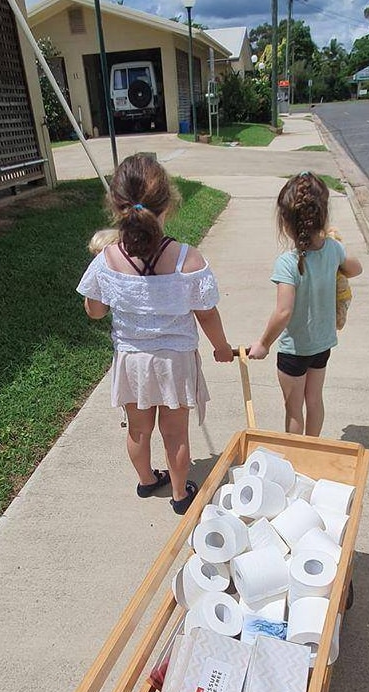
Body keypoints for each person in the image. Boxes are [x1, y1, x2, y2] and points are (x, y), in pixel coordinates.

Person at [76, 154, 234, 515]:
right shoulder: (187, 259)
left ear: (116, 206)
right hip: (175, 362)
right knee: (175, 434)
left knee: (138, 430)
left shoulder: (107, 259)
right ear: (169, 204)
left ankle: (147, 481)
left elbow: (96, 311)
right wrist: (222, 348)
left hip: (133, 362)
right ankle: (181, 495)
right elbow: (206, 313)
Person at [248, 172, 362, 436]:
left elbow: (284, 311)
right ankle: (313, 450)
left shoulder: (287, 263)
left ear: (285, 222)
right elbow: (355, 269)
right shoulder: (333, 249)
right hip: (322, 344)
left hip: (294, 349)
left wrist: (263, 343)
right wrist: (338, 253)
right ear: (322, 217)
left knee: (293, 408)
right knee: (315, 400)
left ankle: (297, 459)